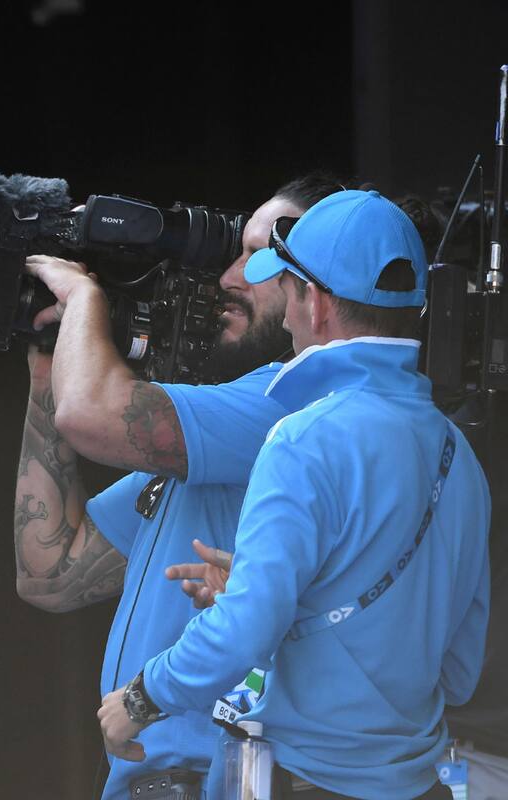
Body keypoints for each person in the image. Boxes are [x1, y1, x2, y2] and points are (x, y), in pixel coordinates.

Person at [96, 189, 490, 799]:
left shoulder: (302, 436)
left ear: (318, 302)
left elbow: (244, 631)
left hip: (307, 783)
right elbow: (460, 673)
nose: (281, 314)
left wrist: (143, 697)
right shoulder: (458, 456)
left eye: (287, 289)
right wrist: (307, 610)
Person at [14, 175, 342, 798]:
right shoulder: (222, 427)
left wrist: (84, 298)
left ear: (317, 284)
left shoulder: (291, 403)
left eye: (259, 256)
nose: (228, 277)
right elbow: (49, 573)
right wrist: (44, 369)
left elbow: (90, 416)